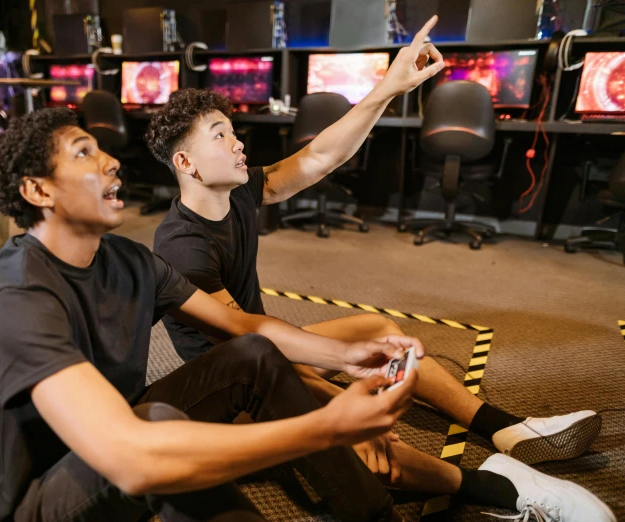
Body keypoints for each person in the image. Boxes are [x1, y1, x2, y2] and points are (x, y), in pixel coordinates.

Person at [0, 95, 614, 522]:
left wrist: (346, 355)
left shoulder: (129, 260)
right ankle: (479, 484)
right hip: (45, 502)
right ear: (36, 188)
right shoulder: (17, 298)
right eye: (84, 152)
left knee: (251, 358)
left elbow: (243, 327)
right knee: (173, 427)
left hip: (127, 435)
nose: (109, 157)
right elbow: (128, 455)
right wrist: (328, 425)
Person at [147, 15, 610, 516]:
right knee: (354, 430)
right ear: (185, 164)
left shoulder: (238, 193)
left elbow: (322, 155)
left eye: (233, 132)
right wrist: (338, 384)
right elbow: (248, 340)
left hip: (267, 350)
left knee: (378, 329)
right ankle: (499, 490)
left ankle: (504, 429)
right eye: (220, 136)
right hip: (238, 389)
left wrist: (388, 88)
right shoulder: (182, 247)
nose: (238, 143)